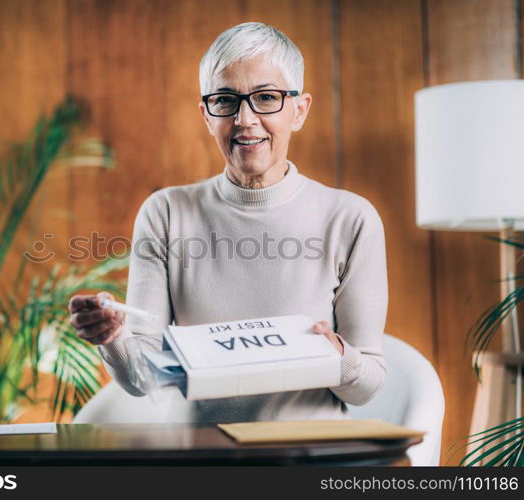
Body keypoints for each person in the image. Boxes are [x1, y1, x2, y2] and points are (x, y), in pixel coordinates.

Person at [68, 21, 387, 423]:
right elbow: (143, 378)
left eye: (266, 97)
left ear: (299, 110)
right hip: (201, 462)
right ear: (206, 116)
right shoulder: (165, 213)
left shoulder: (350, 218)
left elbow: (368, 385)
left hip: (304, 459)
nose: (245, 119)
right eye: (225, 101)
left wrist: (335, 354)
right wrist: (113, 337)